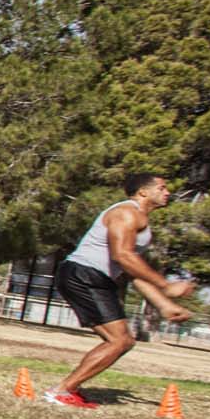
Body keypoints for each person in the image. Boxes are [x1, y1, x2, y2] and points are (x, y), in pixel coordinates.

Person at [41, 173, 193, 407]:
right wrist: (166, 285)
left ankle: (66, 389)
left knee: (119, 341)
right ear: (143, 192)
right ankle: (62, 390)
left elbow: (132, 270)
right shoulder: (126, 213)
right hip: (84, 273)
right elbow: (121, 255)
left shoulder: (141, 221)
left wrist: (164, 304)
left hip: (91, 276)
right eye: (162, 188)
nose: (167, 192)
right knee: (120, 340)